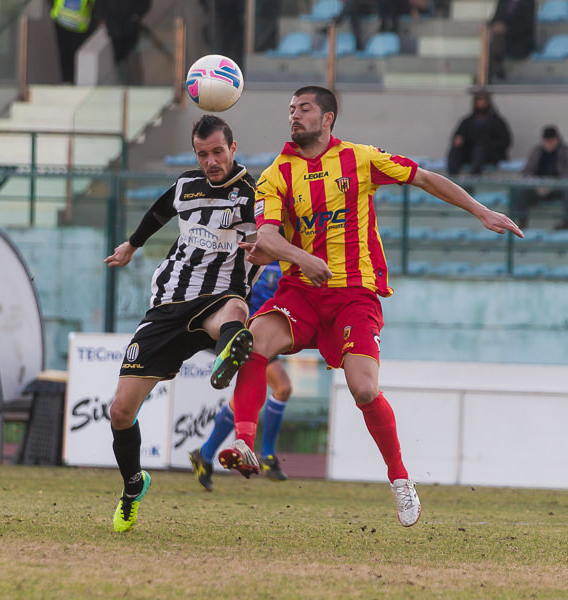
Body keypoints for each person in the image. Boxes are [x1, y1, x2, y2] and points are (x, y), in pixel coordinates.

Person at [217, 86, 523, 528]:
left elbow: (423, 177)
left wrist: (479, 211)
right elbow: (266, 236)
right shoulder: (276, 174)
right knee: (253, 342)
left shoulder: (359, 159)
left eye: (304, 109)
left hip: (355, 294)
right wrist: (299, 257)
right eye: (290, 110)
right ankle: (245, 441)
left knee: (363, 389)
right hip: (301, 291)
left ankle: (399, 477)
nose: (294, 117)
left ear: (328, 119)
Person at [103, 114, 260, 533]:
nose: (211, 161)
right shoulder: (187, 186)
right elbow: (159, 210)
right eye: (202, 153)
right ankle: (134, 485)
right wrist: (132, 245)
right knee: (119, 411)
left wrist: (267, 249)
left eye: (218, 152)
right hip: (168, 303)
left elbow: (280, 235)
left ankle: (229, 352)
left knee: (235, 312)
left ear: (233, 147)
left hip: (218, 297)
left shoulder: (252, 196)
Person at [189, 261, 293, 491]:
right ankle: (267, 456)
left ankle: (204, 454)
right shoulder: (258, 249)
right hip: (248, 331)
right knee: (281, 387)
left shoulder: (292, 252)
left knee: (247, 399)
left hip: (268, 331)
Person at [511, 125, 568, 230]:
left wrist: (555, 183)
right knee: (519, 189)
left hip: (560, 188)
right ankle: (521, 222)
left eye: (552, 140)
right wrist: (537, 183)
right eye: (546, 141)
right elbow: (527, 171)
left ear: (558, 139)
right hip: (539, 188)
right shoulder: (537, 152)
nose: (549, 144)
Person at [446, 90, 511, 176]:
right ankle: (452, 178)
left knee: (480, 149)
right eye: (478, 101)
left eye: (483, 101)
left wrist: (487, 144)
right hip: (470, 153)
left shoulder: (496, 122)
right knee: (455, 150)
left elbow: (506, 141)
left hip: (489, 154)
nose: (480, 104)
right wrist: (458, 140)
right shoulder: (468, 121)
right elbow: (458, 135)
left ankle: (474, 177)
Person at [48, 0, 101, 84]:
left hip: (62, 19)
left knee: (65, 56)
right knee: (75, 58)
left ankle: (67, 82)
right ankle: (72, 83)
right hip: (80, 25)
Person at [102, 0, 151, 85]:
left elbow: (145, 3)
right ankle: (122, 83)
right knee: (119, 59)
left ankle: (135, 85)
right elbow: (100, 5)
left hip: (131, 28)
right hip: (115, 28)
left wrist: (136, 16)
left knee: (133, 58)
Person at [487, 0, 536, 83]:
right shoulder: (502, 1)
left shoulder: (528, 2)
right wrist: (491, 25)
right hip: (503, 40)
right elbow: (495, 18)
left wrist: (506, 29)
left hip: (520, 40)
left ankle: (489, 75)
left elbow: (526, 26)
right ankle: (496, 68)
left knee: (494, 44)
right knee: (496, 39)